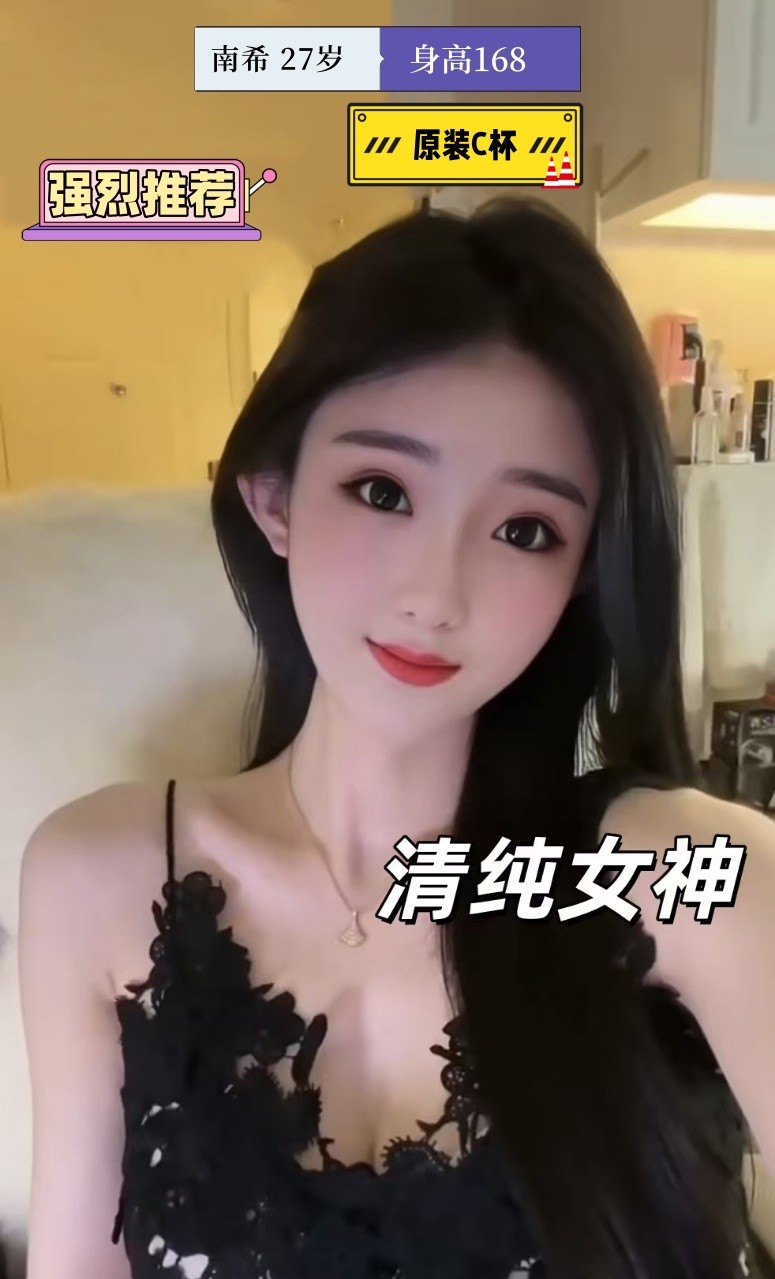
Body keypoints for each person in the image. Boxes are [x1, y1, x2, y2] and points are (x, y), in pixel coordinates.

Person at [18, 198, 773, 1279]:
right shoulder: (96, 878)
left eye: (525, 529)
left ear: (583, 571)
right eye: (381, 490)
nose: (434, 595)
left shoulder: (691, 874)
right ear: (273, 496)